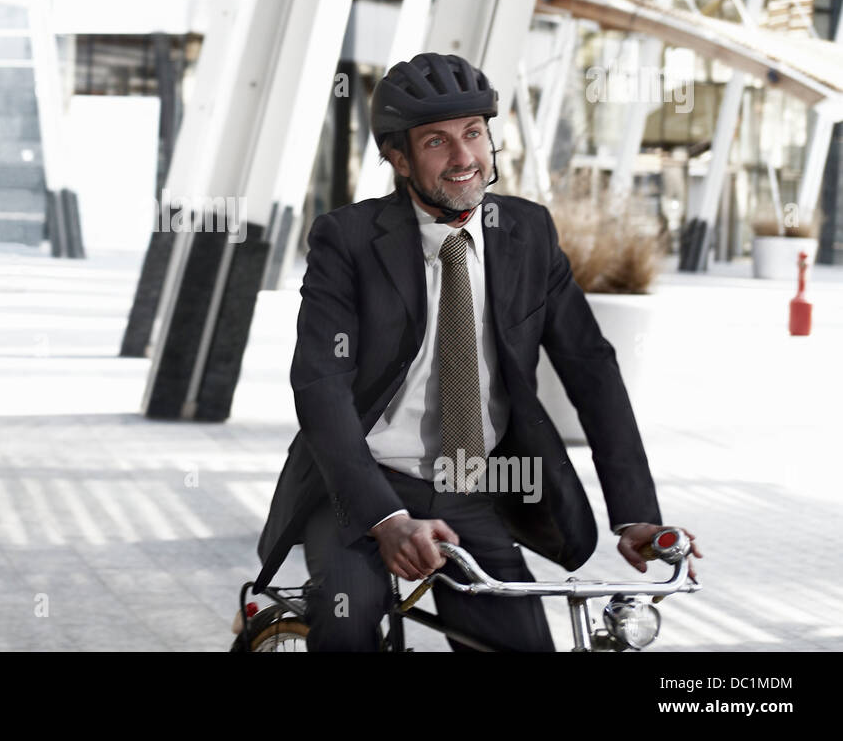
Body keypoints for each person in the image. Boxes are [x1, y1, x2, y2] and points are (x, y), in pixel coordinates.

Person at [252, 52, 701, 651]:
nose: (464, 157)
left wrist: (635, 514)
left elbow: (591, 369)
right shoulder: (349, 240)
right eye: (437, 141)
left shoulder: (528, 233)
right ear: (397, 157)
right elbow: (320, 386)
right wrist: (385, 519)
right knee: (351, 621)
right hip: (360, 488)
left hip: (471, 488)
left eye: (473, 133)